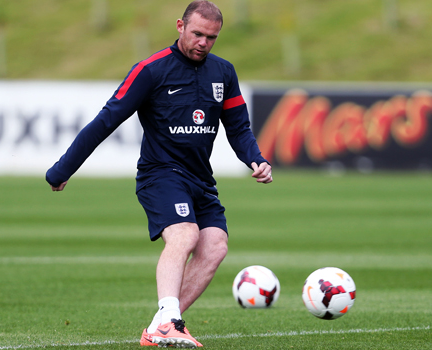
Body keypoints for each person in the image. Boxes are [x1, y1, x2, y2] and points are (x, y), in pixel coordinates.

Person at [45, 1, 272, 348]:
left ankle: (160, 327)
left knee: (215, 247)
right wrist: (64, 168)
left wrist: (255, 159)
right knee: (185, 235)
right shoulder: (151, 70)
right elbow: (107, 120)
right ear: (180, 25)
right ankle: (170, 320)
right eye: (197, 33)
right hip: (160, 174)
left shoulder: (223, 73)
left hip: (200, 179)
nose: (203, 43)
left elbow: (239, 128)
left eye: (211, 37)